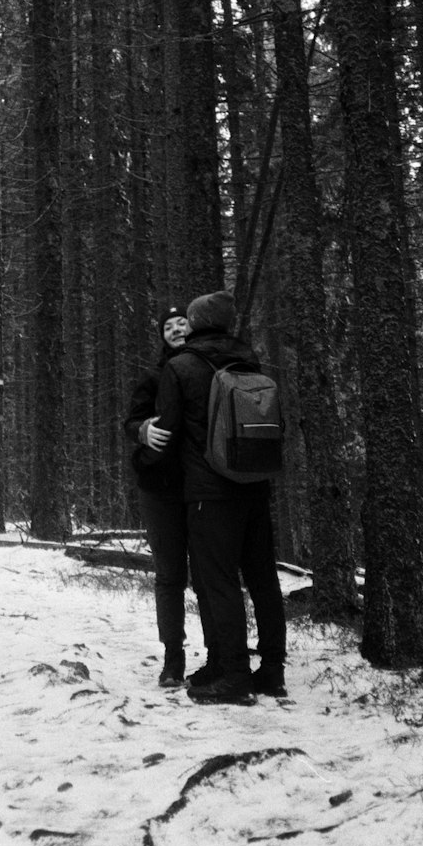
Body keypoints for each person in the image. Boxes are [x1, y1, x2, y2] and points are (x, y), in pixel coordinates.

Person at [149, 290, 288, 705]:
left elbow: (168, 431)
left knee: (219, 582)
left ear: (196, 323)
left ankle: (233, 676)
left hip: (209, 493)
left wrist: (145, 453)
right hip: (254, 486)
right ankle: (272, 672)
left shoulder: (182, 366)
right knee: (263, 579)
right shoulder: (247, 359)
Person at [123, 305, 195, 687]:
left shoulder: (209, 370)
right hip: (160, 489)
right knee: (169, 576)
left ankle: (222, 657)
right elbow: (130, 421)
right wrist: (143, 430)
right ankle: (173, 659)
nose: (175, 329)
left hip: (204, 489)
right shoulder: (152, 377)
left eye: (182, 322)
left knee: (209, 574)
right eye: (168, 326)